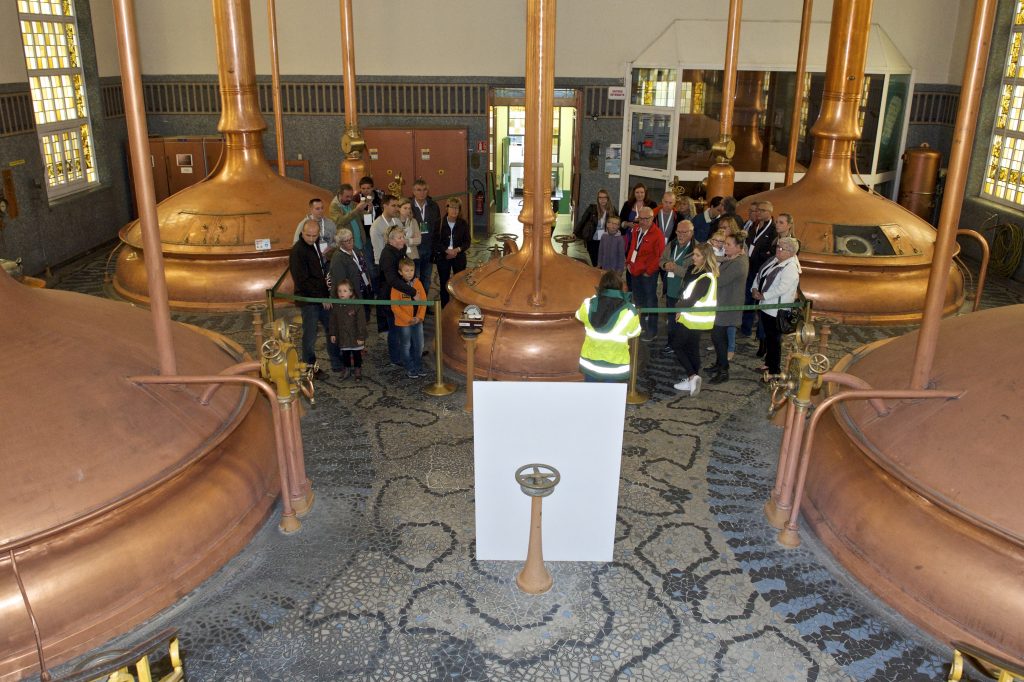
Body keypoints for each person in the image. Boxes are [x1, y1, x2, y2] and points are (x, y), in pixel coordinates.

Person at [290, 219, 342, 377]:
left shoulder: (315, 244)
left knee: (332, 327)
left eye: (315, 235)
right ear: (302, 232)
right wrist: (322, 298)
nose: (312, 238)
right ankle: (309, 366)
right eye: (308, 235)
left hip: (321, 296)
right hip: (309, 300)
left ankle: (337, 361)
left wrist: (326, 294)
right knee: (310, 334)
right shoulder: (297, 251)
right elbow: (302, 281)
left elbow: (320, 272)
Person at [574, 269, 641, 382]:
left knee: (590, 395)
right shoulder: (629, 311)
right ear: (620, 288)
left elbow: (578, 316)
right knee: (611, 397)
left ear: (601, 286)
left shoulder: (588, 304)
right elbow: (635, 332)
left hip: (591, 362)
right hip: (614, 365)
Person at [671, 242, 719, 397]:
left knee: (677, 345)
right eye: (694, 254)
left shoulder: (706, 277)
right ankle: (692, 379)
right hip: (691, 317)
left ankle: (692, 375)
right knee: (692, 347)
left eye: (697, 255)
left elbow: (692, 299)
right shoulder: (695, 270)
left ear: (705, 258)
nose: (694, 257)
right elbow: (686, 290)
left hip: (692, 318)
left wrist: (678, 307)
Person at [752, 236, 801, 378]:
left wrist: (763, 295)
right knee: (769, 338)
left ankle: (774, 371)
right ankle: (768, 363)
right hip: (766, 306)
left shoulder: (790, 267)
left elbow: (782, 288)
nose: (778, 250)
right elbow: (759, 275)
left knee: (774, 341)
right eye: (778, 247)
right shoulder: (774, 261)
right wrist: (755, 289)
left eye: (782, 248)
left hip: (776, 309)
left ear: (791, 252)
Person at [707, 231, 749, 384]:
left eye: (728, 244)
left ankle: (724, 370)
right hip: (724, 303)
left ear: (739, 247)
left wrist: (709, 273)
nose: (725, 246)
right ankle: (719, 364)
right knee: (718, 336)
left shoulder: (739, 263)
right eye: (724, 243)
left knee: (718, 337)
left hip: (728, 305)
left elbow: (721, 280)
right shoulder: (733, 258)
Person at [379, 225, 422, 366]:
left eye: (403, 236)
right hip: (389, 296)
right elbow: (392, 280)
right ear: (391, 240)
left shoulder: (401, 250)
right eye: (399, 237)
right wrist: (413, 292)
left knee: (404, 327)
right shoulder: (387, 255)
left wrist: (414, 277)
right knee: (395, 328)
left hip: (401, 292)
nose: (403, 239)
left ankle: (408, 352)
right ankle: (395, 358)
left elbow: (407, 265)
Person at [625, 206, 665, 341]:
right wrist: (629, 263)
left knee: (651, 301)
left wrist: (649, 271)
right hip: (635, 271)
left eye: (645, 219)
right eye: (640, 218)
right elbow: (632, 247)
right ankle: (641, 326)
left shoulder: (657, 234)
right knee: (639, 300)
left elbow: (659, 256)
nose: (642, 221)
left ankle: (652, 330)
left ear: (652, 218)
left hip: (648, 273)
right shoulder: (636, 230)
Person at [740, 200, 777, 339]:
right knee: (748, 298)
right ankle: (745, 329)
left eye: (762, 210)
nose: (758, 213)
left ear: (769, 212)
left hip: (761, 270)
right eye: (757, 210)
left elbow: (771, 252)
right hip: (749, 268)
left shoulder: (773, 229)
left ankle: (761, 334)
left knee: (760, 302)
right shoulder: (754, 226)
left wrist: (758, 254)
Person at [659, 219, 695, 354]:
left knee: (683, 321)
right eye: (678, 232)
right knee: (671, 320)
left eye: (684, 232)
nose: (680, 235)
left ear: (691, 233)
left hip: (684, 293)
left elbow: (692, 273)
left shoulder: (695, 249)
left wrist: (675, 269)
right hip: (670, 290)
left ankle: (682, 345)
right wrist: (664, 265)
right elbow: (661, 260)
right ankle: (671, 343)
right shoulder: (672, 244)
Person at [390, 258, 428, 379]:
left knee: (419, 345)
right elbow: (395, 306)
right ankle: (410, 367)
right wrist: (408, 319)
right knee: (406, 345)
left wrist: (420, 317)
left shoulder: (418, 283)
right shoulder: (397, 286)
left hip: (418, 320)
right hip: (403, 322)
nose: (410, 273)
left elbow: (424, 301)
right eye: (406, 271)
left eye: (412, 270)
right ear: (400, 272)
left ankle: (418, 365)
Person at [432, 197, 471, 307]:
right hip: (443, 257)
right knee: (444, 282)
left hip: (458, 257)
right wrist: (446, 250)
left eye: (457, 208)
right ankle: (445, 307)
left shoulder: (463, 223)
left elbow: (467, 242)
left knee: (459, 282)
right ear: (446, 208)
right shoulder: (438, 223)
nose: (454, 210)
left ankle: (459, 305)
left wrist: (457, 250)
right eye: (452, 207)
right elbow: (435, 241)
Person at [329, 227, 374, 321]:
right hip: (353, 294)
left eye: (351, 239)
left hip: (364, 288)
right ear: (340, 243)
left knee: (365, 316)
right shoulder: (338, 258)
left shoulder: (356, 250)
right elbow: (340, 281)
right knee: (356, 320)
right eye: (346, 241)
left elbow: (364, 267)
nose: (350, 242)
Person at [328, 279, 367, 381]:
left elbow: (361, 322)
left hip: (356, 336)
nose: (341, 293)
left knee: (356, 354)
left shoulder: (357, 304)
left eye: (345, 291)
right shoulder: (336, 305)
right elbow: (333, 321)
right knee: (345, 354)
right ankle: (347, 369)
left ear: (350, 292)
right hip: (343, 336)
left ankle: (358, 369)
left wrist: (361, 336)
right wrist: (333, 334)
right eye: (339, 291)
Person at [410, 178, 441, 291]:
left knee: (426, 278)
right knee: (414, 278)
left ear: (428, 191)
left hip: (428, 248)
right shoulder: (408, 207)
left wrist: (435, 249)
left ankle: (424, 305)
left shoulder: (434, 206)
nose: (421, 193)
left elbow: (437, 230)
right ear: (413, 191)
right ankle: (415, 306)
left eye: (424, 190)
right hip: (413, 250)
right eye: (418, 190)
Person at [574, 188, 615, 267]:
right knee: (595, 264)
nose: (602, 200)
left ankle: (602, 277)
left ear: (608, 199)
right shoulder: (592, 209)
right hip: (593, 241)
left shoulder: (612, 210)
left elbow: (617, 224)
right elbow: (583, 220)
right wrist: (575, 233)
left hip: (606, 241)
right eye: (600, 197)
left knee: (604, 264)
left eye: (604, 197)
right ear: (597, 199)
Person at [328, 184, 373, 251]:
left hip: (360, 243)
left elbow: (367, 221)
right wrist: (356, 210)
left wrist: (370, 210)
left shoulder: (353, 204)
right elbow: (340, 221)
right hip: (347, 245)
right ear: (340, 195)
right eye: (347, 196)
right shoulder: (334, 207)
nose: (349, 199)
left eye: (351, 196)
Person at [617, 182, 658, 252]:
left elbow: (654, 222)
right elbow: (620, 221)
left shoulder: (652, 205)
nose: (639, 195)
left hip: (645, 237)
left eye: (642, 192)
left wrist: (641, 223)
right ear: (634, 193)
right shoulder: (627, 204)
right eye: (637, 192)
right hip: (628, 237)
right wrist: (627, 224)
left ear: (645, 193)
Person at [396, 198, 423, 281]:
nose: (407, 210)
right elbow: (394, 242)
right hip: (399, 257)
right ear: (399, 208)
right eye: (405, 208)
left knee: (415, 279)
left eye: (409, 208)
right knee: (401, 281)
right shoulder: (394, 222)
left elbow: (418, 240)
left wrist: (406, 241)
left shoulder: (413, 221)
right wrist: (411, 240)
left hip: (413, 255)